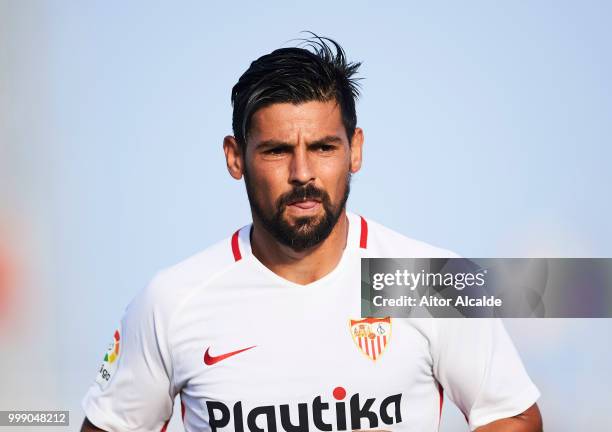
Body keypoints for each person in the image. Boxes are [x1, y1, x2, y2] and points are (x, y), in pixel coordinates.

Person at [80, 35, 542, 432]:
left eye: (323, 147)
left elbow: (511, 415)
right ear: (235, 157)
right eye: (277, 150)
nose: (303, 173)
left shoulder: (430, 280)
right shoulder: (170, 302)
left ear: (354, 150)